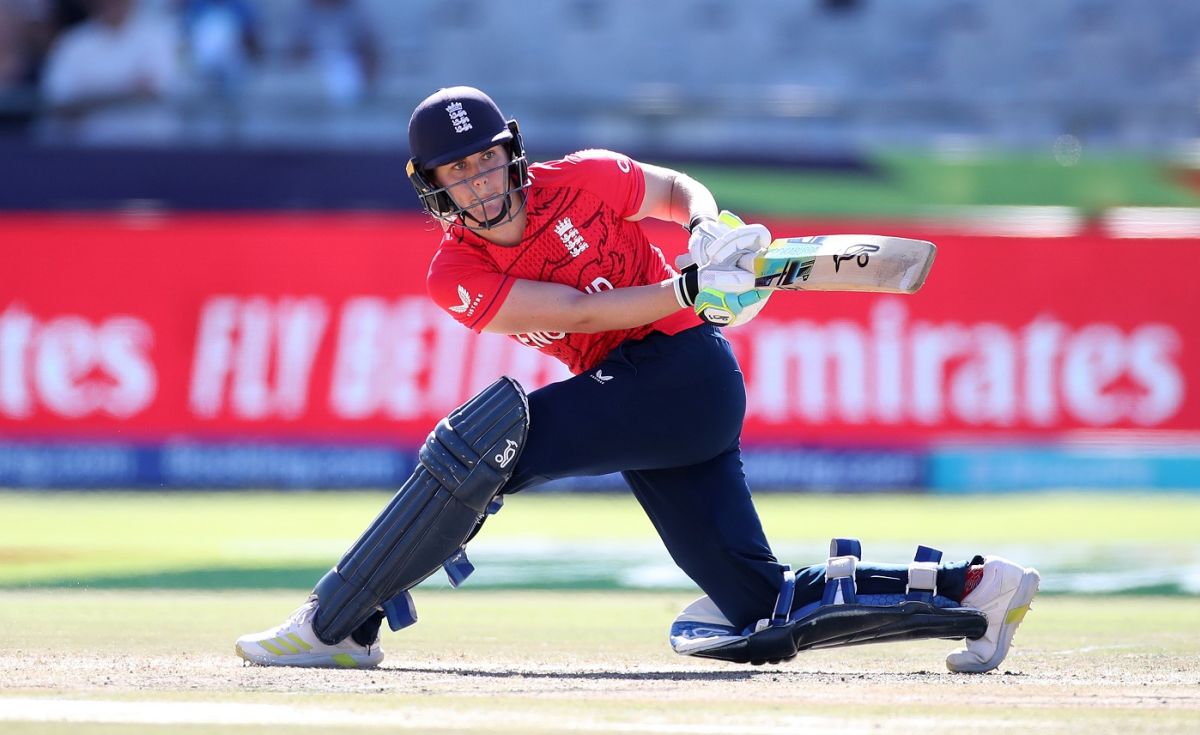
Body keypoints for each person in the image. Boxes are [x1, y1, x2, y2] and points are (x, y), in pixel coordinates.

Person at [236, 86, 1039, 674]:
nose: (480, 182)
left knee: (482, 445)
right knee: (760, 608)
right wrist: (686, 288)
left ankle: (339, 620)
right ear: (433, 187)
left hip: (683, 374)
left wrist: (706, 230)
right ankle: (977, 591)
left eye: (487, 161)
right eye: (458, 173)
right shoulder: (455, 270)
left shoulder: (582, 178)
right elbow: (569, 315)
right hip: (653, 392)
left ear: (511, 153)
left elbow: (674, 189)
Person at [38, 0, 183, 144]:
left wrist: (90, 94)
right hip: (89, 151)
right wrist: (129, 89)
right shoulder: (72, 44)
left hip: (151, 150)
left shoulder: (160, 37)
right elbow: (60, 101)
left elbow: (161, 90)